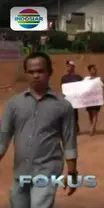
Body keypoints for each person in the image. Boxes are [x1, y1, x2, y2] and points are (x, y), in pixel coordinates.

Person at [0, 52, 78, 208]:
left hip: (47, 171)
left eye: (40, 71)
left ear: (50, 73)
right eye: (31, 72)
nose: (36, 75)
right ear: (26, 74)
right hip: (20, 172)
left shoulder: (63, 105)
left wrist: (72, 172)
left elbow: (69, 141)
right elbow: (3, 138)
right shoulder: (14, 105)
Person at [84, 64, 104, 136]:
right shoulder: (86, 79)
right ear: (89, 71)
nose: (94, 70)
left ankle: (92, 128)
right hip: (88, 100)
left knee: (95, 113)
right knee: (90, 114)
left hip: (96, 100)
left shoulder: (99, 79)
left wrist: (103, 82)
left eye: (95, 69)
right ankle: (93, 126)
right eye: (93, 69)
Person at [61, 60, 83, 133]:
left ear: (73, 67)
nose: (68, 68)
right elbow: (63, 89)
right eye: (67, 66)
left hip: (75, 100)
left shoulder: (78, 78)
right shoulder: (64, 78)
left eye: (69, 66)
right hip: (67, 99)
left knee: (74, 113)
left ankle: (75, 127)